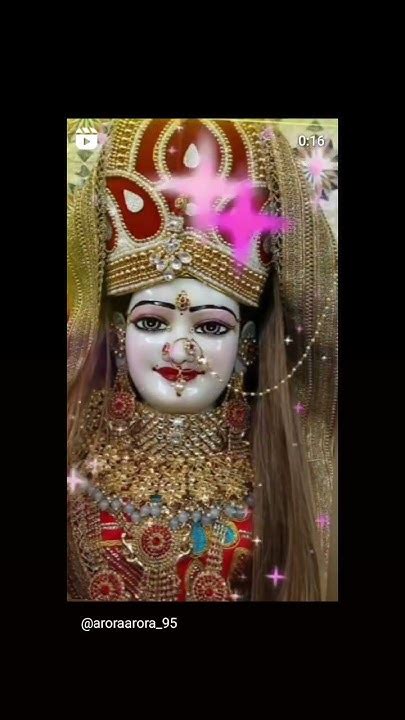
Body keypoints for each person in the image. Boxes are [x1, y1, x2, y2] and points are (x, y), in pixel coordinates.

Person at [67, 119, 337, 601]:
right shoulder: (76, 464)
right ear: (119, 333)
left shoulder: (278, 480)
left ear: (246, 343)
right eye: (153, 322)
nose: (179, 349)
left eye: (211, 327)